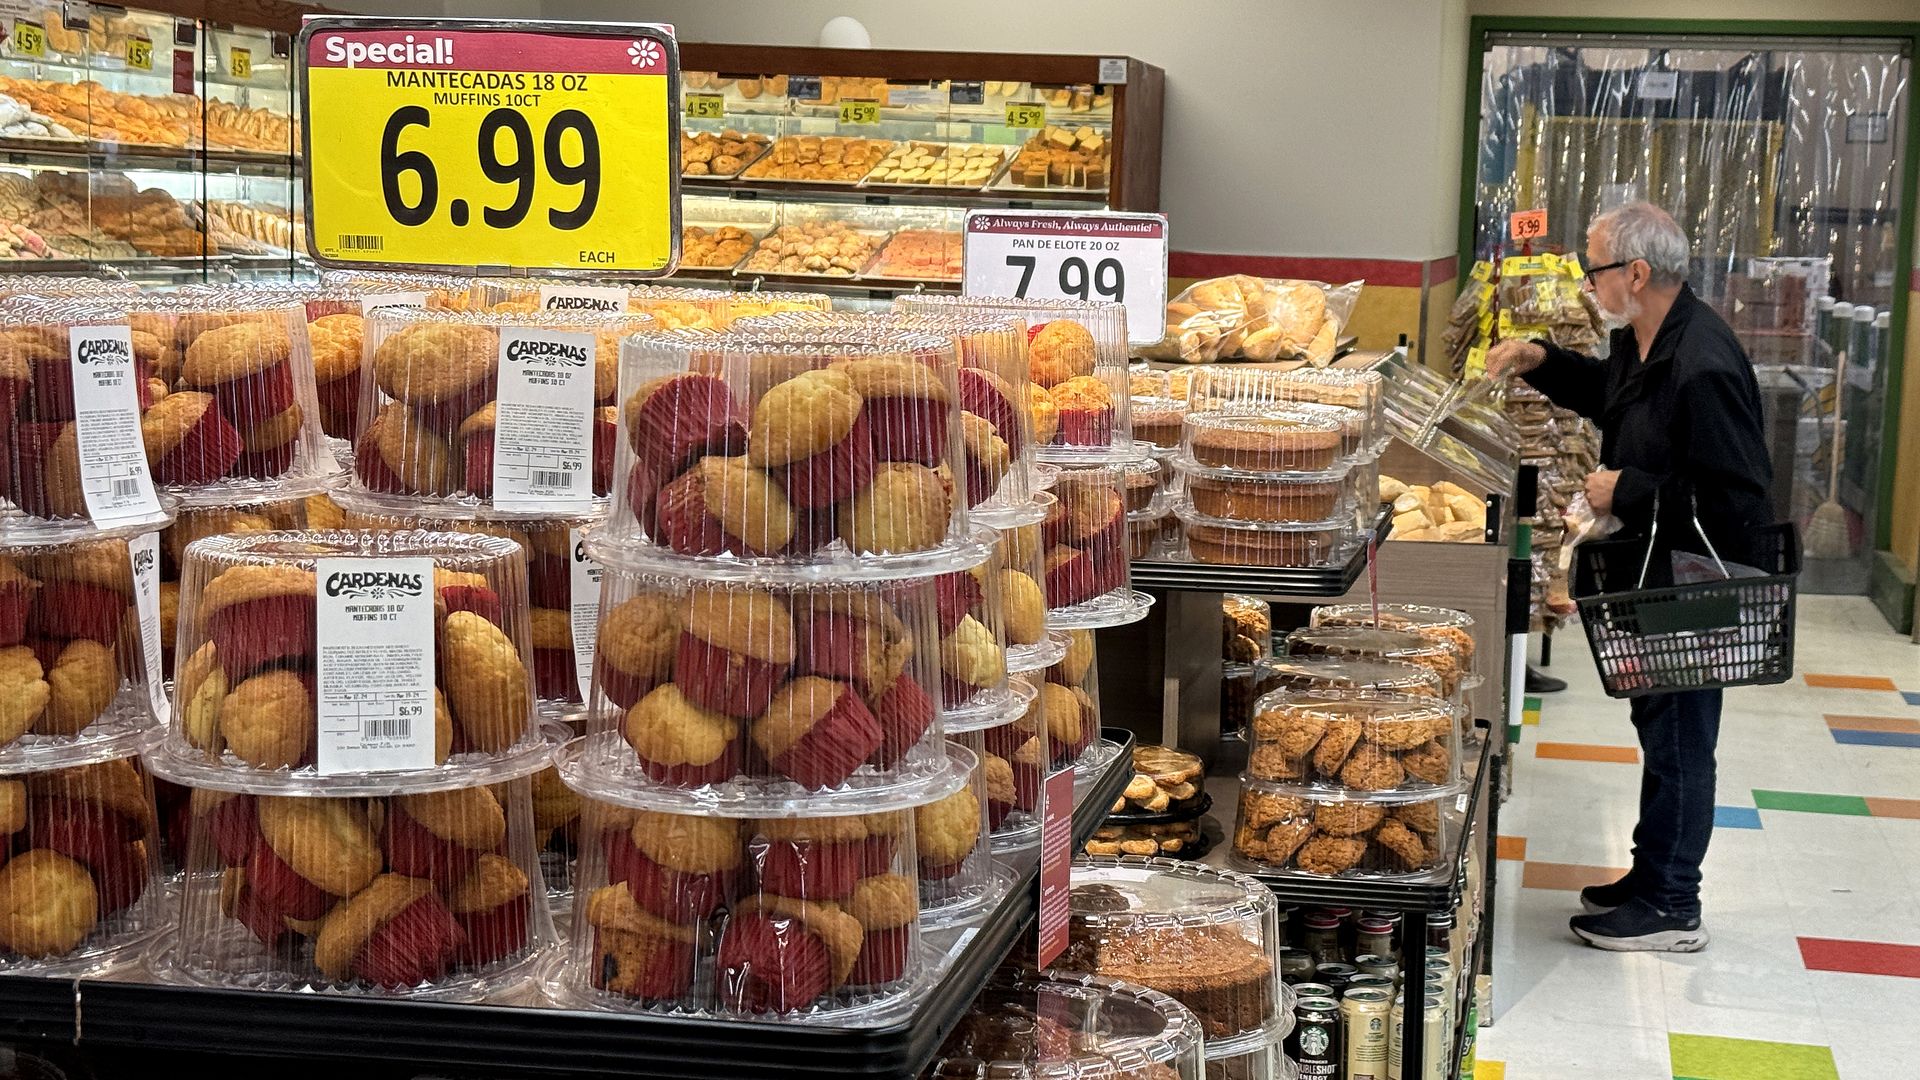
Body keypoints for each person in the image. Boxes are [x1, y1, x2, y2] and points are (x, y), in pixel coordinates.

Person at [1487, 202, 1772, 953]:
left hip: (1694, 580)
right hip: (1651, 572)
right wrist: (1541, 359)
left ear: (1636, 273)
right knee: (1659, 729)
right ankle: (1652, 877)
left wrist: (1630, 490)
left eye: (1595, 270)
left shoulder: (1702, 363)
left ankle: (1673, 905)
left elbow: (1739, 497)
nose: (1589, 285)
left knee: (1681, 740)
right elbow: (1607, 391)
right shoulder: (1643, 340)